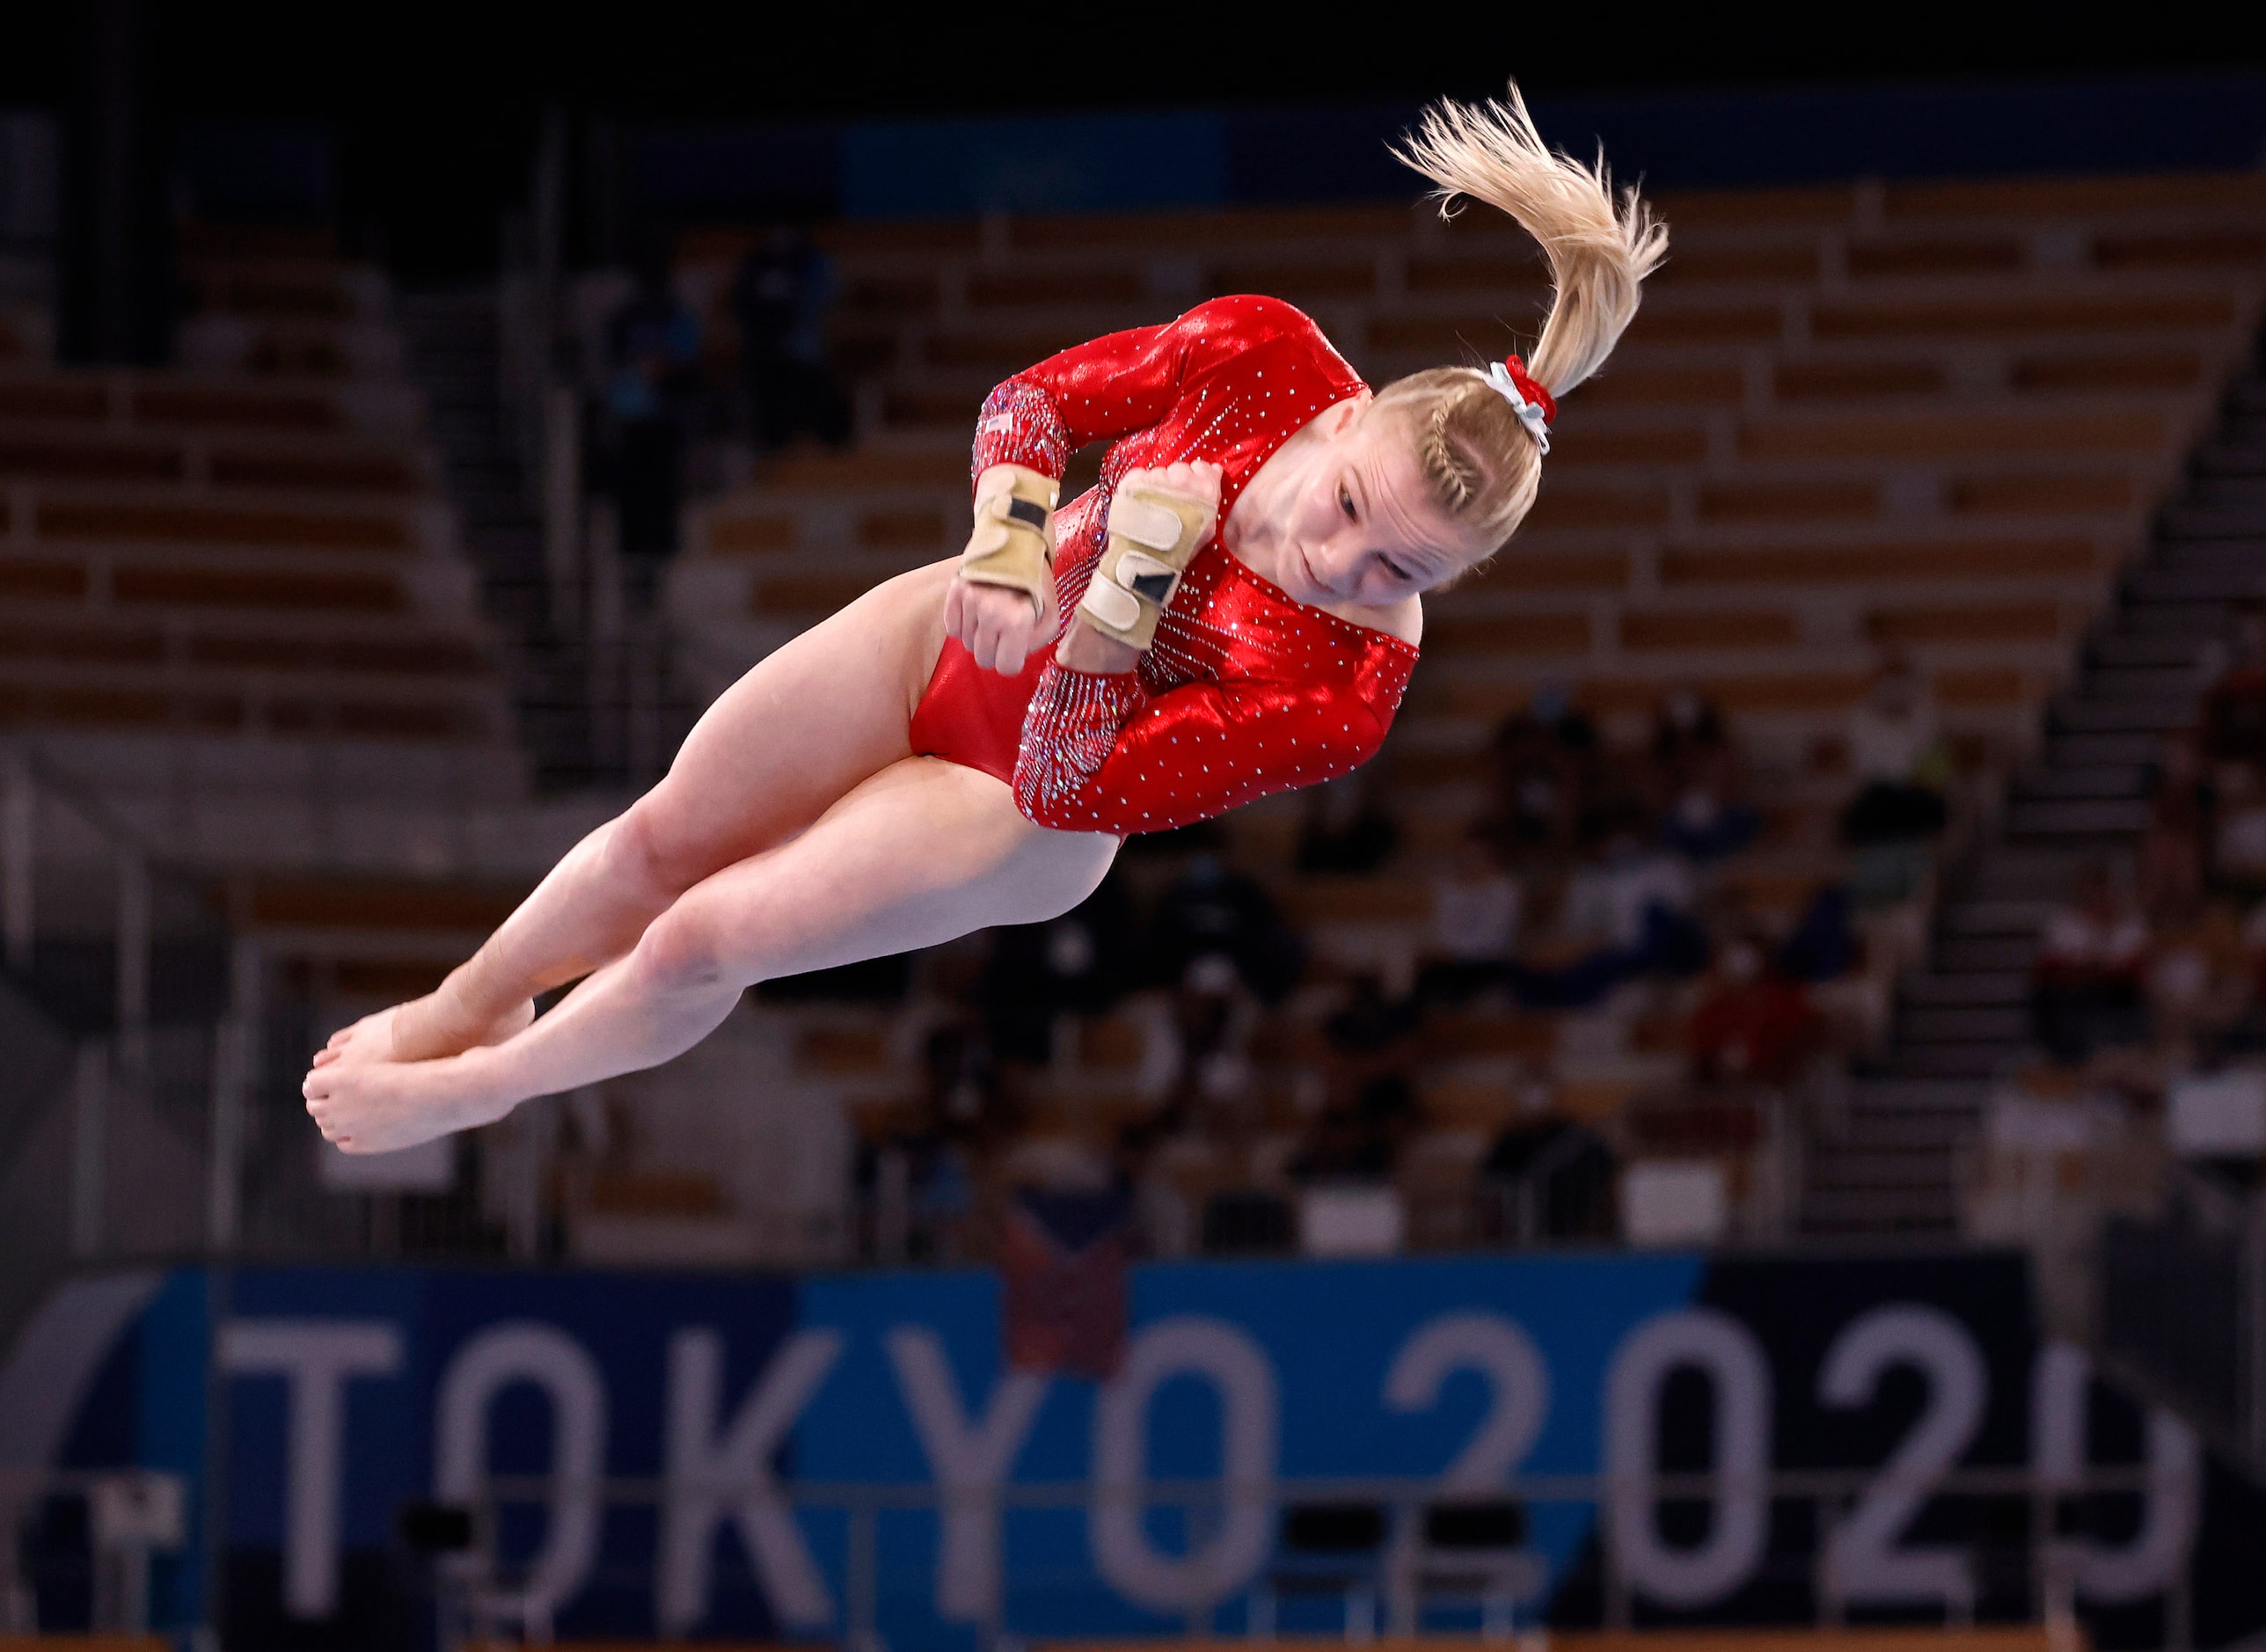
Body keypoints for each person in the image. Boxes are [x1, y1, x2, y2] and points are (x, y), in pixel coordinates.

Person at [302, 90, 1668, 1154]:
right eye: (1355, 505)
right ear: (1347, 410)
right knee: (666, 837)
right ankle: (471, 994)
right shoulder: (1265, 351)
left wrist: (1128, 591)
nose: (1340, 559)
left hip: (1013, 813)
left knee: (700, 937)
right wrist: (1010, 547)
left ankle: (488, 1085)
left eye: (1399, 571)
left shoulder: (1347, 693)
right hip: (949, 634)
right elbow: (1035, 403)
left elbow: (1070, 782)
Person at [730, 225, 852, 450]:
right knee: (763, 370)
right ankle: (772, 445)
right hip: (764, 350)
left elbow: (824, 305)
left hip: (802, 347)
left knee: (803, 354)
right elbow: (741, 306)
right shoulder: (753, 263)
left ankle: (829, 441)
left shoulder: (814, 262)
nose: (779, 234)